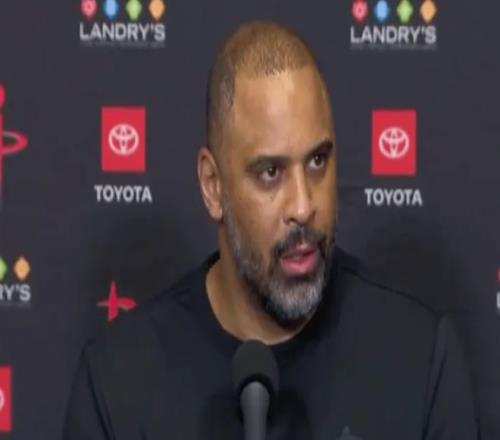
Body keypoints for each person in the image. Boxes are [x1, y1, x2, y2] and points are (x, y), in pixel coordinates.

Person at [64, 21, 479, 440]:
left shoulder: (421, 359)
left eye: (317, 161)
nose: (302, 206)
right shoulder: (116, 385)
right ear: (213, 186)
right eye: (270, 172)